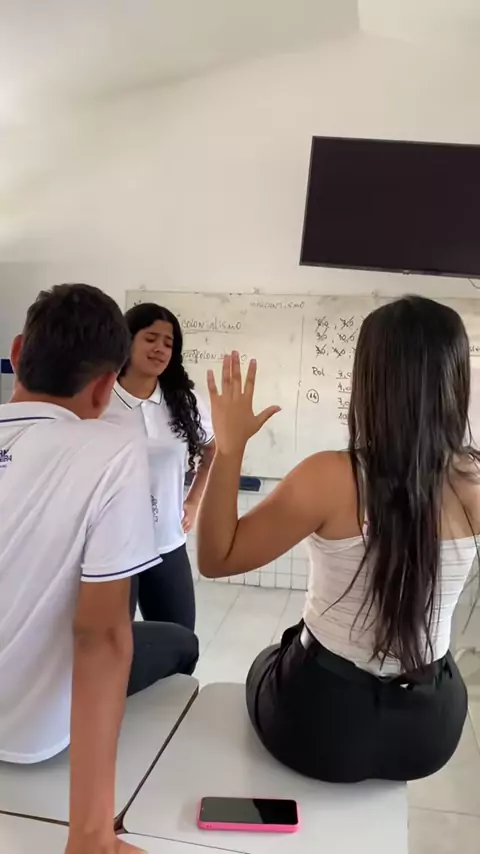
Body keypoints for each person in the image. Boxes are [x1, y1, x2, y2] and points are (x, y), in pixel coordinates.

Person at [196, 295, 478, 784]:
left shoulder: (328, 477)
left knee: (269, 659)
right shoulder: (474, 481)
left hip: (320, 724)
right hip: (430, 731)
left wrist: (229, 448)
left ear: (370, 380)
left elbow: (216, 558)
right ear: (456, 382)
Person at [0, 284, 198, 854]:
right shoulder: (110, 449)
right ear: (108, 384)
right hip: (28, 734)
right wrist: (90, 834)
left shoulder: (171, 407)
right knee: (178, 641)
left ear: (18, 351)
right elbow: (102, 636)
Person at [103, 303, 215, 631]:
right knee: (111, 643)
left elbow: (213, 450)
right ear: (127, 340)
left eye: (168, 343)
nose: (160, 349)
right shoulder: (99, 398)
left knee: (180, 639)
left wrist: (194, 500)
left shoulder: (184, 401)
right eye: (151, 338)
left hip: (166, 542)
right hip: (110, 547)